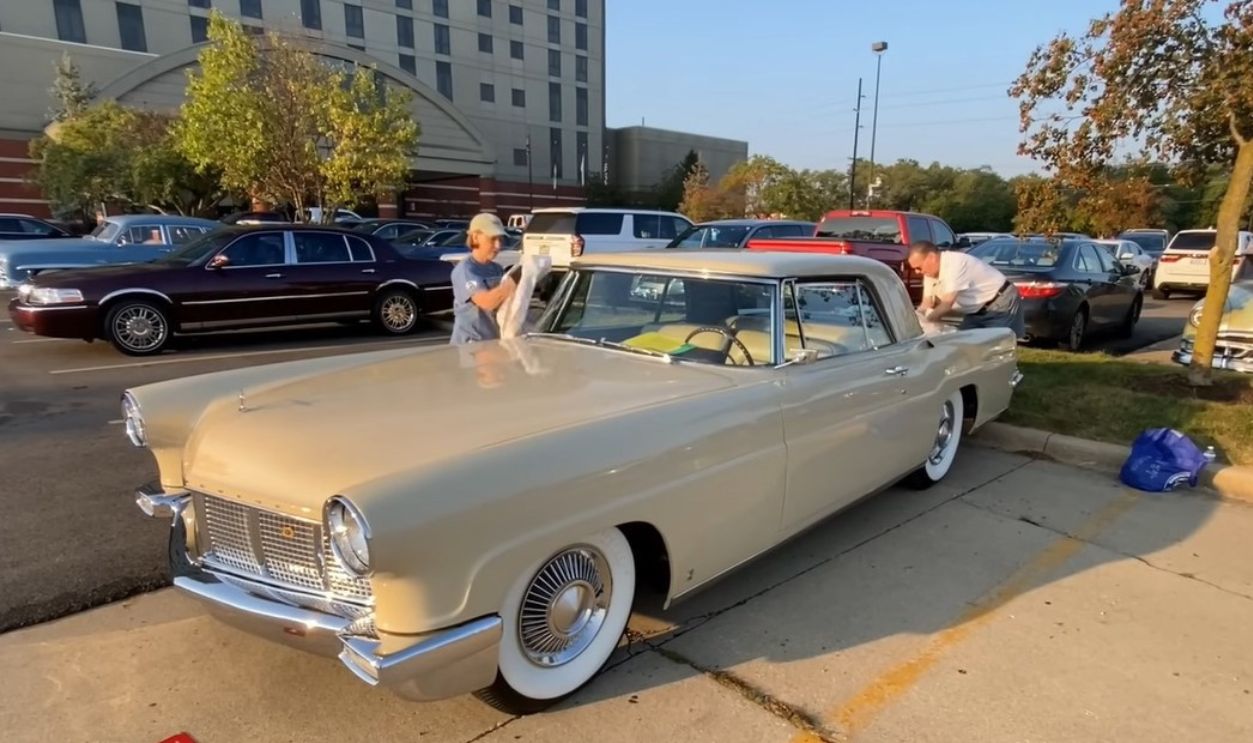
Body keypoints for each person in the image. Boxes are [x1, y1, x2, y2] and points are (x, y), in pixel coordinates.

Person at [908, 240, 1024, 337]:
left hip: (999, 302)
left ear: (931, 257)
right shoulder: (929, 273)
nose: (917, 272)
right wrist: (915, 318)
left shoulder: (955, 264)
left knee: (996, 347)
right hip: (975, 311)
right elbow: (927, 303)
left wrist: (927, 321)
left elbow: (947, 304)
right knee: (966, 345)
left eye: (919, 267)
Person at [449, 213, 517, 345]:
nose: (498, 246)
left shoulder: (497, 268)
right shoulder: (465, 270)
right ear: (475, 237)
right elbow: (486, 302)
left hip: (491, 343)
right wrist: (511, 285)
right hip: (470, 346)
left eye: (500, 239)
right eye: (492, 239)